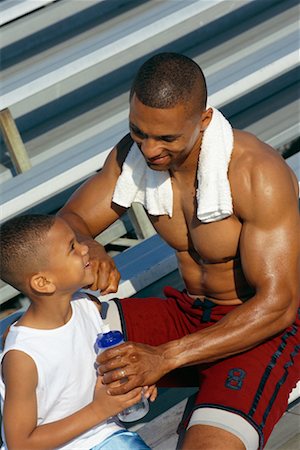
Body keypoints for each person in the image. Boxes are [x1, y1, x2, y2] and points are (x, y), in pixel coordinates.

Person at [58, 53, 300, 450]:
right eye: (139, 132)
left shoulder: (255, 171)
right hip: (187, 313)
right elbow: (70, 218)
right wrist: (87, 242)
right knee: (36, 338)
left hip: (262, 329)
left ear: (203, 121)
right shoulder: (133, 155)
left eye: (166, 138)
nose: (150, 151)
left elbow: (278, 304)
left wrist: (165, 358)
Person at [0, 214, 155, 450]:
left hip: (106, 436)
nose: (85, 248)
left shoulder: (87, 306)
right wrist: (99, 410)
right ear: (43, 283)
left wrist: (133, 381)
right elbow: (20, 443)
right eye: (71, 247)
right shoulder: (22, 357)